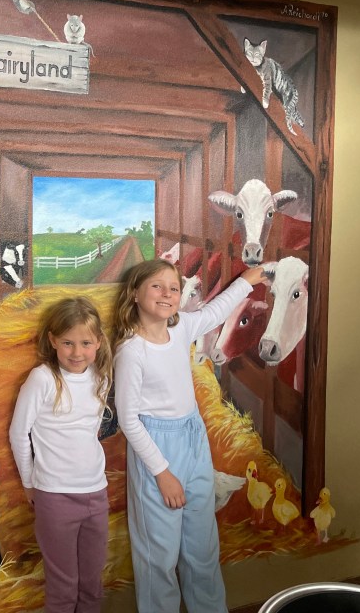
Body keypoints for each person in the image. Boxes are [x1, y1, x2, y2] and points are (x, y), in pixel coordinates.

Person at [112, 258, 266, 613]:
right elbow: (129, 420)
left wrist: (246, 281)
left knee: (202, 549)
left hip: (193, 439)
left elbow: (214, 312)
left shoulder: (180, 328)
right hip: (157, 448)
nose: (167, 293)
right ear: (135, 293)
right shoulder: (132, 350)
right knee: (158, 556)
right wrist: (162, 473)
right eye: (157, 286)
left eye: (174, 288)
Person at [9, 296, 114, 613]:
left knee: (92, 585)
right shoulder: (42, 378)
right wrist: (29, 483)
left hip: (96, 493)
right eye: (68, 343)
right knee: (63, 588)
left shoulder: (101, 377)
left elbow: (91, 430)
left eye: (85, 343)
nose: (77, 352)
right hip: (55, 496)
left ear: (98, 342)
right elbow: (19, 433)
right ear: (53, 340)